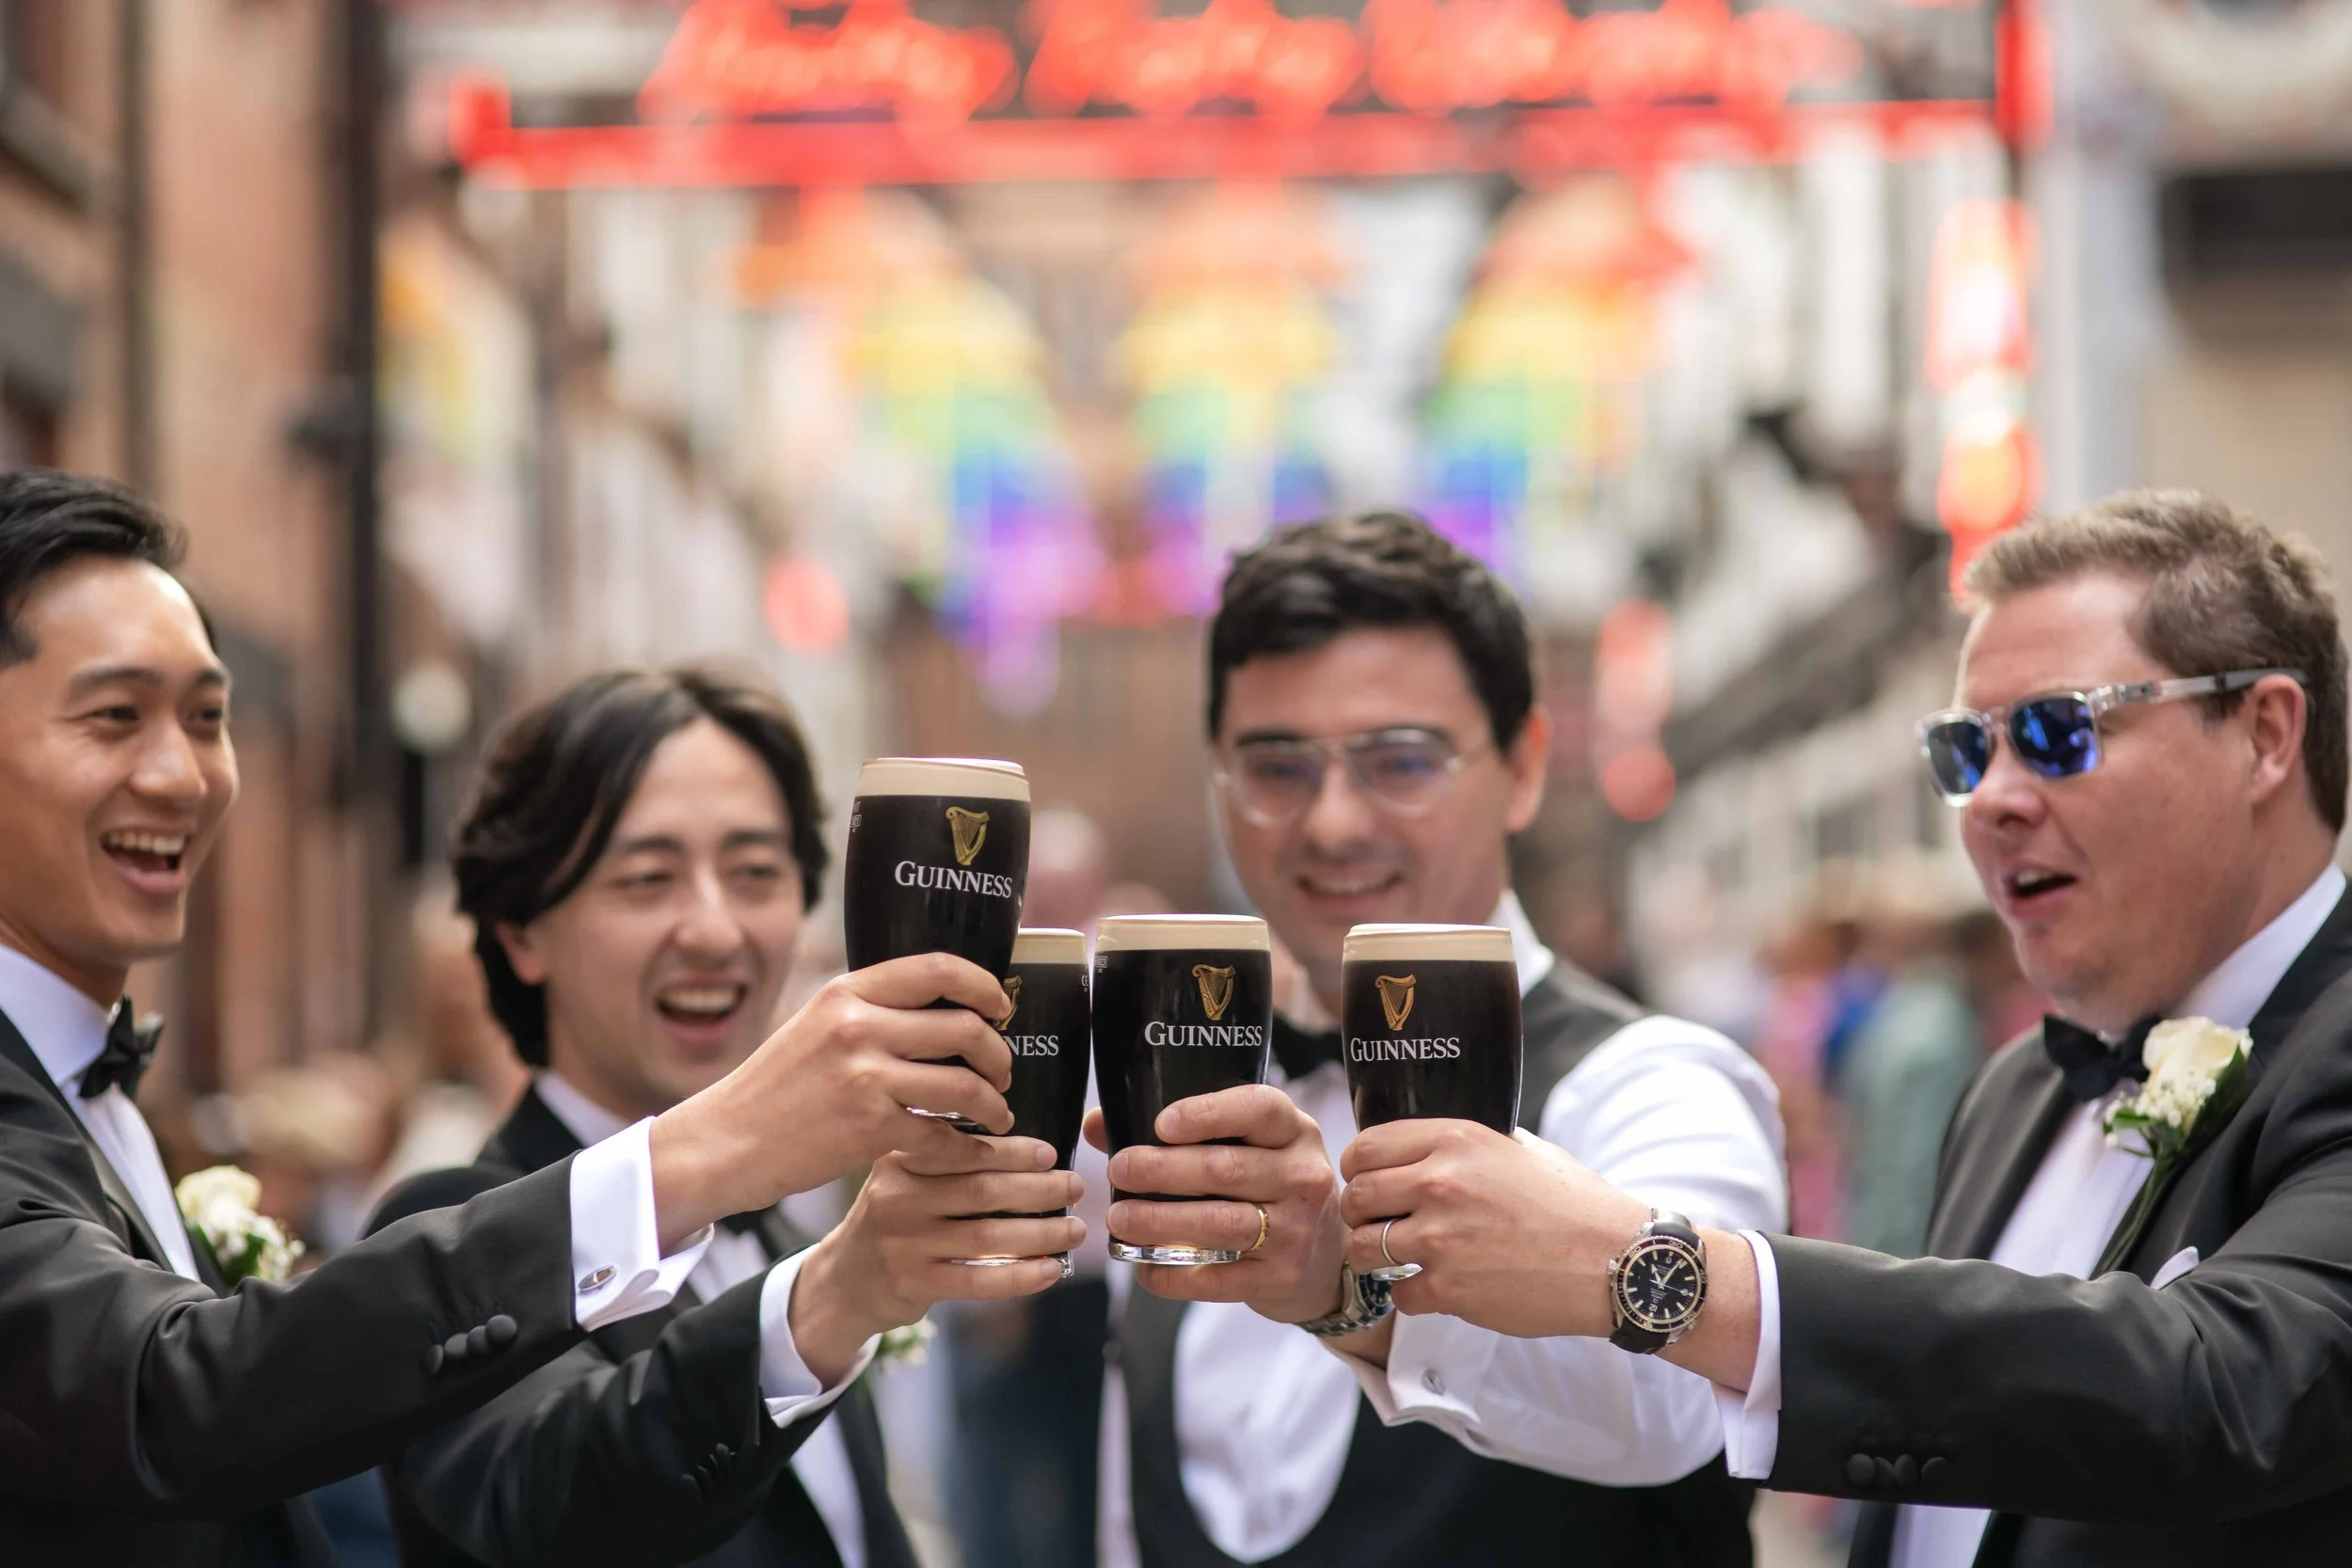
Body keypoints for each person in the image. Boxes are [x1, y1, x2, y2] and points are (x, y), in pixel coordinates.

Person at [0, 468, 1031, 1566]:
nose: (180, 771)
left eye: (208, 717)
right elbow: (194, 1399)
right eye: (114, 716)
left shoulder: (98, 1110)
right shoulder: (471, 1210)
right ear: (520, 926)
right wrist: (715, 1162)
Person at [1337, 489, 2352, 1566]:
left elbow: (2221, 1386)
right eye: (1965, 750)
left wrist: (1644, 1265)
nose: (1992, 798)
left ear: (2263, 734)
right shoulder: (2018, 1086)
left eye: (2058, 733)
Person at [1084, 511, 1788, 1567]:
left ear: (1522, 766)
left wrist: (1340, 1292)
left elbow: (1680, 1401)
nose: (1330, 822)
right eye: (1276, 768)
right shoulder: (1192, 1091)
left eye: (1400, 762)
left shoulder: (1651, 1083)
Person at [371, 666, 1085, 1568]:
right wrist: (831, 1300)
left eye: (754, 872)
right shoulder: (446, 1232)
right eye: (647, 877)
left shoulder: (788, 1235)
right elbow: (545, 1509)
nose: (714, 929)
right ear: (522, 930)